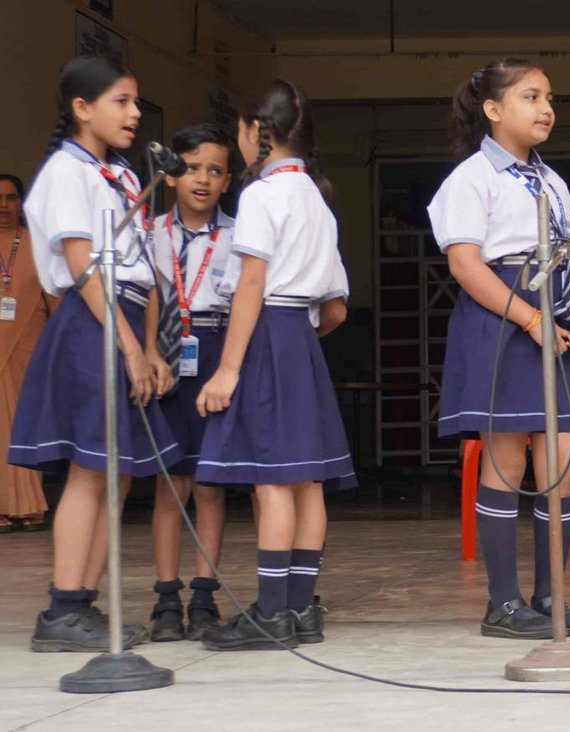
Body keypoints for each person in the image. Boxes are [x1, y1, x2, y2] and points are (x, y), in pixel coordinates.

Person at [429, 58, 570, 640]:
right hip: (505, 319)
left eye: (549, 98)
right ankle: (502, 602)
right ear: (493, 109)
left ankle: (552, 596)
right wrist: (530, 318)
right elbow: (464, 264)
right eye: (530, 97)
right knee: (506, 458)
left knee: (563, 460)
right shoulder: (471, 177)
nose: (545, 108)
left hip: (558, 321)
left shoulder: (552, 181)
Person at [12, 55, 175, 652]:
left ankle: (83, 605)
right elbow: (83, 267)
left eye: (135, 103)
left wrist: (151, 347)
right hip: (93, 324)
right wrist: (128, 346)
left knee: (116, 476)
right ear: (82, 108)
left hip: (124, 319)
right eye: (120, 102)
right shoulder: (66, 171)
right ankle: (63, 607)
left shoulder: (123, 175)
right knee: (91, 471)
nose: (134, 115)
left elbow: (145, 272)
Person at [193, 79, 354, 651]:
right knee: (307, 481)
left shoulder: (262, 195)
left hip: (267, 331)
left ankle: (270, 612)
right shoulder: (317, 198)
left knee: (273, 480)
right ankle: (301, 608)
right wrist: (300, 339)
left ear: (255, 131)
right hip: (302, 337)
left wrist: (228, 369)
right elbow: (336, 308)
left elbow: (251, 285)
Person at [146, 123, 241, 642]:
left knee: (208, 484)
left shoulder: (239, 235)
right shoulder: (148, 232)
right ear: (169, 175)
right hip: (163, 353)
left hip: (214, 352)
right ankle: (166, 599)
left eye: (215, 170)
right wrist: (149, 355)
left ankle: (204, 596)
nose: (202, 179)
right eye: (190, 168)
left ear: (227, 180)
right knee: (170, 484)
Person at [0, 173, 51, 533]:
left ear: (21, 203)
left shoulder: (39, 245)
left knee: (26, 424)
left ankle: (29, 505)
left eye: (10, 198)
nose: (3, 205)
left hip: (31, 347)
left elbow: (56, 299)